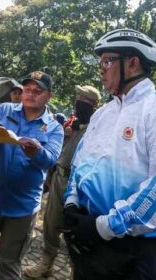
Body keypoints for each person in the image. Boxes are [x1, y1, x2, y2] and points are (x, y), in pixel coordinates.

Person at [62, 29, 156, 280]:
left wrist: (105, 226)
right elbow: (79, 164)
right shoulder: (102, 113)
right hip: (91, 242)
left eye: (107, 61)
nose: (101, 69)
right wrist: (71, 202)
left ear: (132, 63)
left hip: (136, 253)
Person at [0, 71, 63, 280]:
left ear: (49, 96)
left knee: (9, 263)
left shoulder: (54, 127)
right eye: (27, 89)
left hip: (22, 208)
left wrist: (37, 153)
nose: (30, 94)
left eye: (37, 91)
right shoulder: (5, 110)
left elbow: (50, 160)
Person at [24, 85, 101, 278]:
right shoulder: (72, 124)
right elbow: (60, 152)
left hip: (81, 185)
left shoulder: (98, 128)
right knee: (51, 223)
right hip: (60, 177)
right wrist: (51, 176)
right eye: (77, 98)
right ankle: (46, 262)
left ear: (93, 105)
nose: (77, 102)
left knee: (75, 228)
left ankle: (77, 270)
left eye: (82, 100)